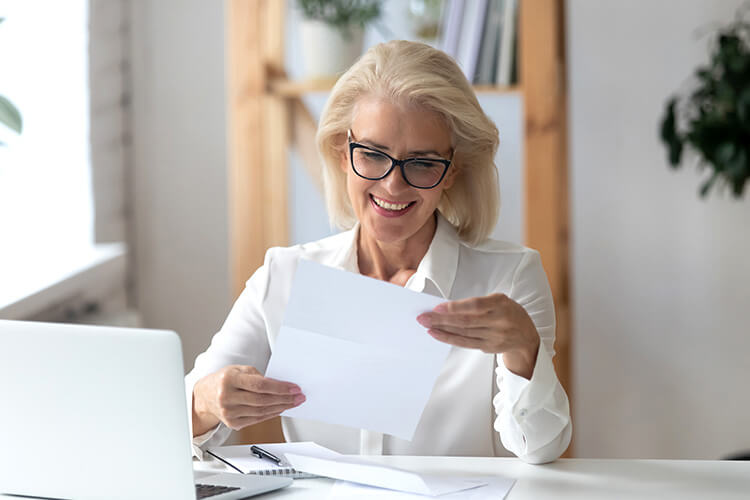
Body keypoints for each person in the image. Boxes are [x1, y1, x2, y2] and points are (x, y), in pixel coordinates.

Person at [186, 40, 571, 464]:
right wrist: (205, 402)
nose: (393, 186)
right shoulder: (286, 275)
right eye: (372, 155)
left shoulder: (509, 279)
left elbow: (542, 449)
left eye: (422, 163)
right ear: (341, 152)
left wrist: (523, 352)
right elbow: (171, 421)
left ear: (452, 172)